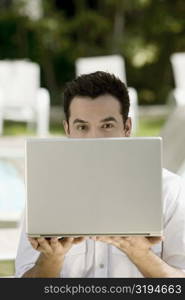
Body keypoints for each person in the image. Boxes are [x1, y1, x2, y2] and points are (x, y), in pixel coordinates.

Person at [15, 71, 185, 278]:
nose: (94, 138)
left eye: (106, 126)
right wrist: (51, 259)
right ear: (68, 130)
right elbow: (23, 290)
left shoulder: (170, 191)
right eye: (82, 127)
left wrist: (140, 255)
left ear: (127, 127)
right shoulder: (45, 191)